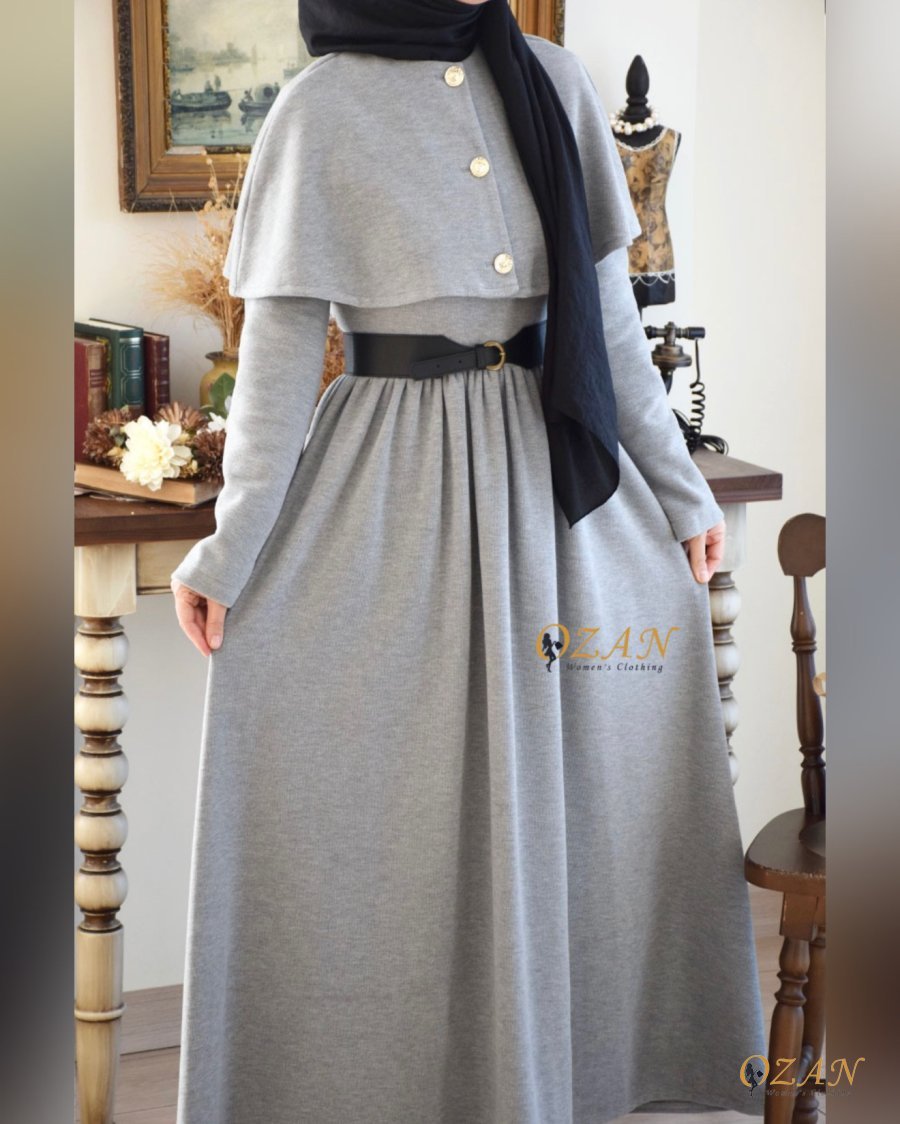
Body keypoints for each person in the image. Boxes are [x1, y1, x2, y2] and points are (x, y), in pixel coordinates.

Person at [170, 2, 767, 1121]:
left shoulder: (554, 81)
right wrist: (231, 546)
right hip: (384, 491)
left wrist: (684, 493)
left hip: (552, 482)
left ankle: (560, 1073)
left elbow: (612, 327)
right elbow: (280, 360)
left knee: (586, 779)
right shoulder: (317, 109)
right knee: (393, 818)